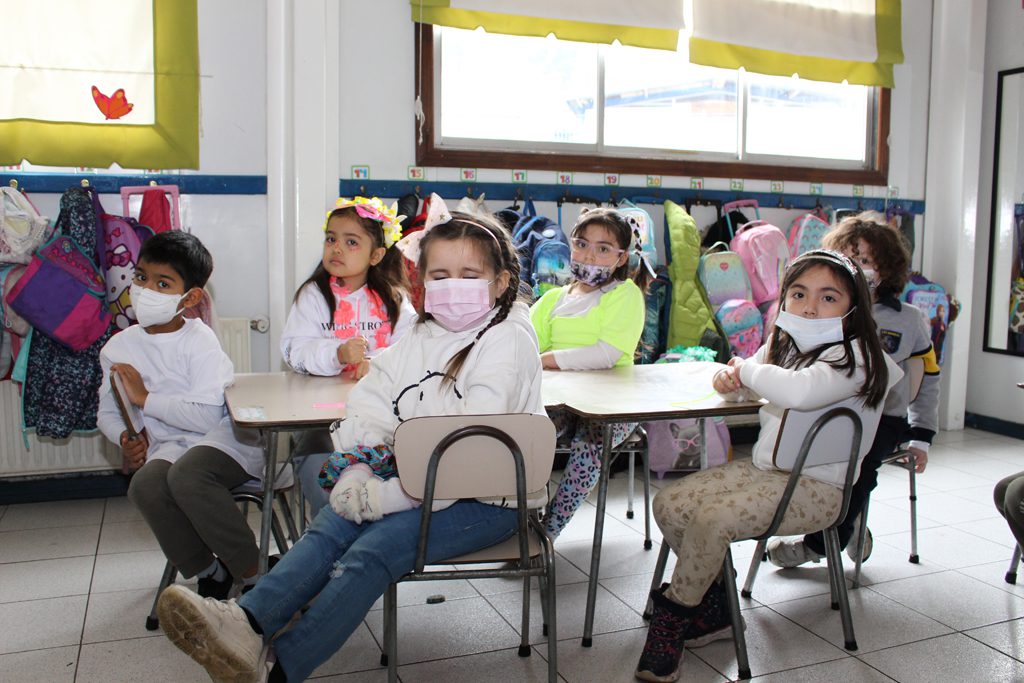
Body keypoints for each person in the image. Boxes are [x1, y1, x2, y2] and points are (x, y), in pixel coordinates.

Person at [157, 200, 543, 683]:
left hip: (489, 499)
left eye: (469, 275)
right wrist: (360, 467)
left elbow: (469, 449)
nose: (452, 286)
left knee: (374, 548)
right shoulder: (424, 333)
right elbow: (372, 399)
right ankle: (247, 623)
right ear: (422, 281)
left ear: (501, 282)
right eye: (440, 275)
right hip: (420, 483)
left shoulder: (508, 338)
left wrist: (393, 495)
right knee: (336, 520)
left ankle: (277, 669)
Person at [635, 249, 900, 682]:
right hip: (767, 471)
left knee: (712, 519)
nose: (809, 307)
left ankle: (674, 620)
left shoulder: (860, 359)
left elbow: (797, 391)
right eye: (799, 294)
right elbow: (748, 383)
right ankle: (717, 606)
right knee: (669, 503)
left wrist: (744, 370)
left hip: (820, 490)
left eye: (828, 297)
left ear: (854, 307)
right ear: (784, 299)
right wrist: (730, 381)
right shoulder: (784, 344)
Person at [97, 231, 268, 599]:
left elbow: (206, 418)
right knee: (145, 485)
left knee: (188, 476)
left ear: (189, 297)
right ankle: (210, 570)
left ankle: (255, 573)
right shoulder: (117, 348)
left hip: (225, 441)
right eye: (141, 277)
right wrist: (124, 437)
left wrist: (145, 398)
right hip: (171, 447)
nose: (145, 290)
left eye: (163, 283)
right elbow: (107, 412)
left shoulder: (199, 340)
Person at [767, 213, 940, 568]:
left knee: (857, 470)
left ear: (887, 267)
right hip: (822, 410)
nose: (857, 267)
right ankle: (848, 517)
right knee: (799, 458)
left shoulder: (909, 319)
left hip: (883, 418)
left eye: (865, 260)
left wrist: (922, 436)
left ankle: (819, 544)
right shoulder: (822, 310)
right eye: (848, 258)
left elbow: (929, 378)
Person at [281, 196, 414, 513]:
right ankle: (333, 526)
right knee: (324, 481)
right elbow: (293, 350)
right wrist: (336, 354)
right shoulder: (313, 296)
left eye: (351, 242)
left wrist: (376, 364)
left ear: (376, 255)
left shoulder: (394, 299)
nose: (337, 248)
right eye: (331, 239)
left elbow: (410, 350)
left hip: (379, 415)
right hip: (320, 419)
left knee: (383, 480)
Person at [531, 207, 649, 538]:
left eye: (603, 249)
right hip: (561, 400)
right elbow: (524, 342)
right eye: (582, 244)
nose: (590, 256)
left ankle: (548, 531)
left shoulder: (625, 294)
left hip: (612, 405)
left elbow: (605, 354)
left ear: (621, 257)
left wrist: (546, 359)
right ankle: (521, 521)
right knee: (526, 433)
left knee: (591, 444)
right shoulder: (553, 299)